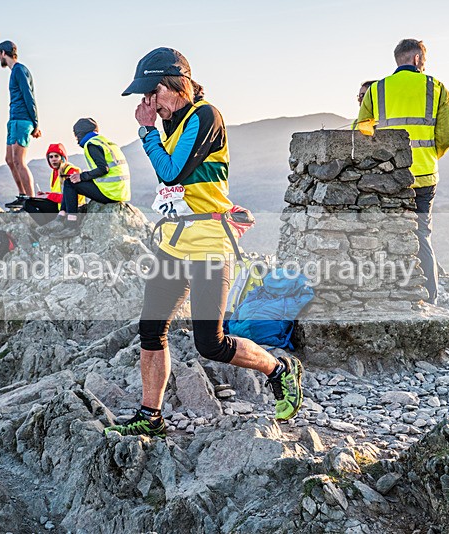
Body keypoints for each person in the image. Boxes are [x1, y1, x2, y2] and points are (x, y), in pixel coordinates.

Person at [105, 47, 303, 438]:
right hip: (174, 243)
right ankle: (151, 416)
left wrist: (146, 132)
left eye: (152, 93)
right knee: (151, 329)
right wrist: (156, 128)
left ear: (175, 85)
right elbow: (181, 182)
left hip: (210, 245)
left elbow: (171, 172)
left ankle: (279, 370)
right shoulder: (177, 122)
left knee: (209, 344)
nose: (148, 103)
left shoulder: (205, 115)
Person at [357, 39, 449, 305]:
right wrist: (430, 156)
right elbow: (446, 135)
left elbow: (362, 129)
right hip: (424, 175)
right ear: (416, 59)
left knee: (384, 234)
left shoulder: (377, 90)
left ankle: (386, 295)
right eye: (424, 60)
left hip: (388, 177)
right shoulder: (436, 88)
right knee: (421, 234)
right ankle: (430, 299)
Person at [49, 118, 131, 239]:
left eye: (76, 135)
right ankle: (61, 216)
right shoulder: (105, 142)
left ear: (80, 133)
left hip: (110, 192)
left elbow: (104, 169)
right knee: (72, 182)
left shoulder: (91, 144)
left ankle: (71, 225)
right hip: (119, 191)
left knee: (70, 183)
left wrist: (82, 176)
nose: (76, 139)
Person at [0, 40, 41, 210]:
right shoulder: (14, 71)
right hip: (13, 119)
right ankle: (22, 196)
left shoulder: (20, 70)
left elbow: (29, 96)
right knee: (9, 159)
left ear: (4, 53)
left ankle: (31, 201)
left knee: (19, 161)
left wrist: (35, 123)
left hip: (22, 120)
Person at [24, 142, 82, 226]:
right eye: (51, 157)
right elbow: (58, 192)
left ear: (62, 158)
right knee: (27, 203)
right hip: (58, 206)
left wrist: (48, 196)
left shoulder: (71, 171)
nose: (53, 159)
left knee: (30, 203)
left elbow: (71, 198)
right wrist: (46, 194)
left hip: (69, 208)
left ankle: (49, 226)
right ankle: (46, 225)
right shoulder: (54, 172)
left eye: (56, 156)